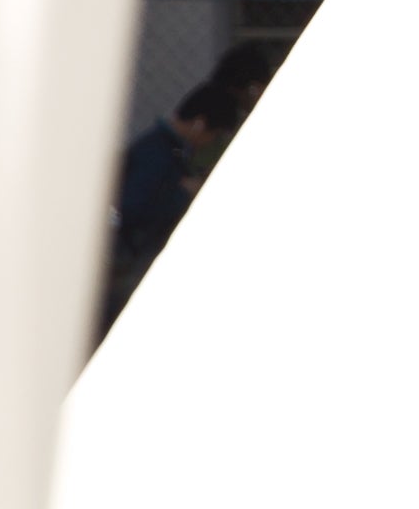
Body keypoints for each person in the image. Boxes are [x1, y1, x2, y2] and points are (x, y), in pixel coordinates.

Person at [100, 33, 290, 329]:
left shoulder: (163, 146)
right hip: (133, 255)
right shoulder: (162, 153)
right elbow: (133, 207)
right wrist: (183, 193)